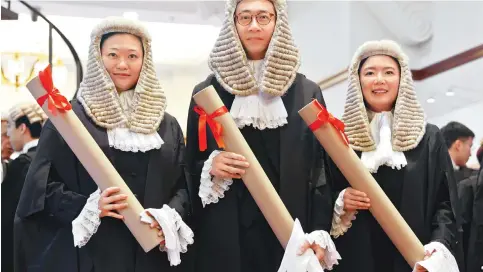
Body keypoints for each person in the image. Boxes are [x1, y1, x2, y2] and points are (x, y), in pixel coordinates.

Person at [14, 17, 193, 272]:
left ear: (145, 61)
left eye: (132, 56)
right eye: (113, 55)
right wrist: (86, 205)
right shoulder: (68, 118)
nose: (122, 64)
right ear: (98, 58)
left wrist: (169, 215)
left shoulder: (167, 125)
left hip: (152, 257)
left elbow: (183, 184)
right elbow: (39, 189)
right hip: (90, 255)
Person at [185, 0, 339, 271]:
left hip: (291, 230)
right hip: (225, 234)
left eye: (263, 17)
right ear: (233, 24)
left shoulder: (306, 92)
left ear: (278, 23)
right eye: (245, 17)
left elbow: (321, 172)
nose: (254, 26)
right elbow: (187, 167)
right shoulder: (206, 92)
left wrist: (318, 230)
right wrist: (210, 168)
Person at [327, 40, 463, 272]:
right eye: (370, 73)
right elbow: (318, 194)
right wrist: (340, 203)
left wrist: (438, 245)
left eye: (388, 72)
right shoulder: (339, 138)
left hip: (414, 258)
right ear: (357, 80)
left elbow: (446, 204)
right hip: (356, 258)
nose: (379, 80)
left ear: (402, 80)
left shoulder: (429, 137)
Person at [1, 103, 47, 272]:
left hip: (22, 249)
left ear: (22, 128)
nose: (8, 136)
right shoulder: (53, 157)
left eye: (10, 129)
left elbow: (7, 215)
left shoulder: (21, 164)